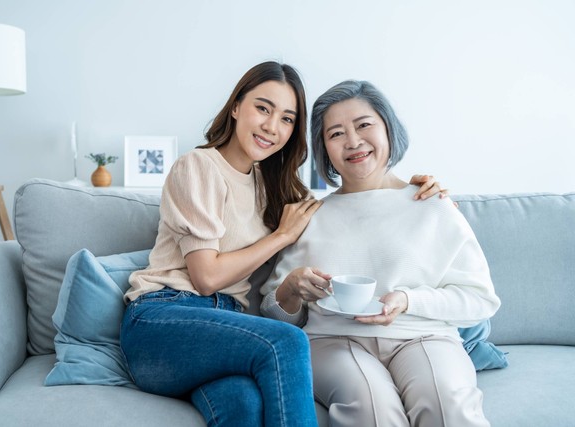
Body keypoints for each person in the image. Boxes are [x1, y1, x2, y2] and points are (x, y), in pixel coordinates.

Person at [120, 61, 445, 427]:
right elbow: (205, 277)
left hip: (225, 330)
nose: (272, 127)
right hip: (163, 322)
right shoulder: (198, 166)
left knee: (243, 404)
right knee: (287, 342)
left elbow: (351, 208)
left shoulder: (276, 188)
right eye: (263, 108)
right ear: (236, 107)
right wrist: (281, 237)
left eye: (288, 119)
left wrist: (410, 190)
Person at [260, 80, 501, 427]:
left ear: (388, 129)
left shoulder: (432, 205)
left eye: (363, 125)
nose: (353, 141)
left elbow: (480, 300)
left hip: (424, 336)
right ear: (323, 148)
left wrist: (408, 300)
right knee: (371, 408)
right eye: (336, 133)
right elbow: (275, 317)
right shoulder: (309, 217)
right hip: (333, 341)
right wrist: (291, 290)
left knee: (448, 405)